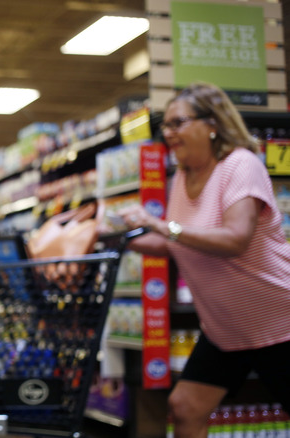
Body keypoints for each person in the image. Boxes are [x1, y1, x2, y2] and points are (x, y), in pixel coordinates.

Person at [118, 82, 290, 438]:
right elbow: (179, 243)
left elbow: (234, 239)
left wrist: (159, 224)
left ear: (212, 124)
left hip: (277, 322)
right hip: (226, 328)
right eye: (165, 125)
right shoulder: (182, 176)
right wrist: (120, 240)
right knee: (185, 407)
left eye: (178, 123)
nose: (169, 133)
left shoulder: (240, 165)